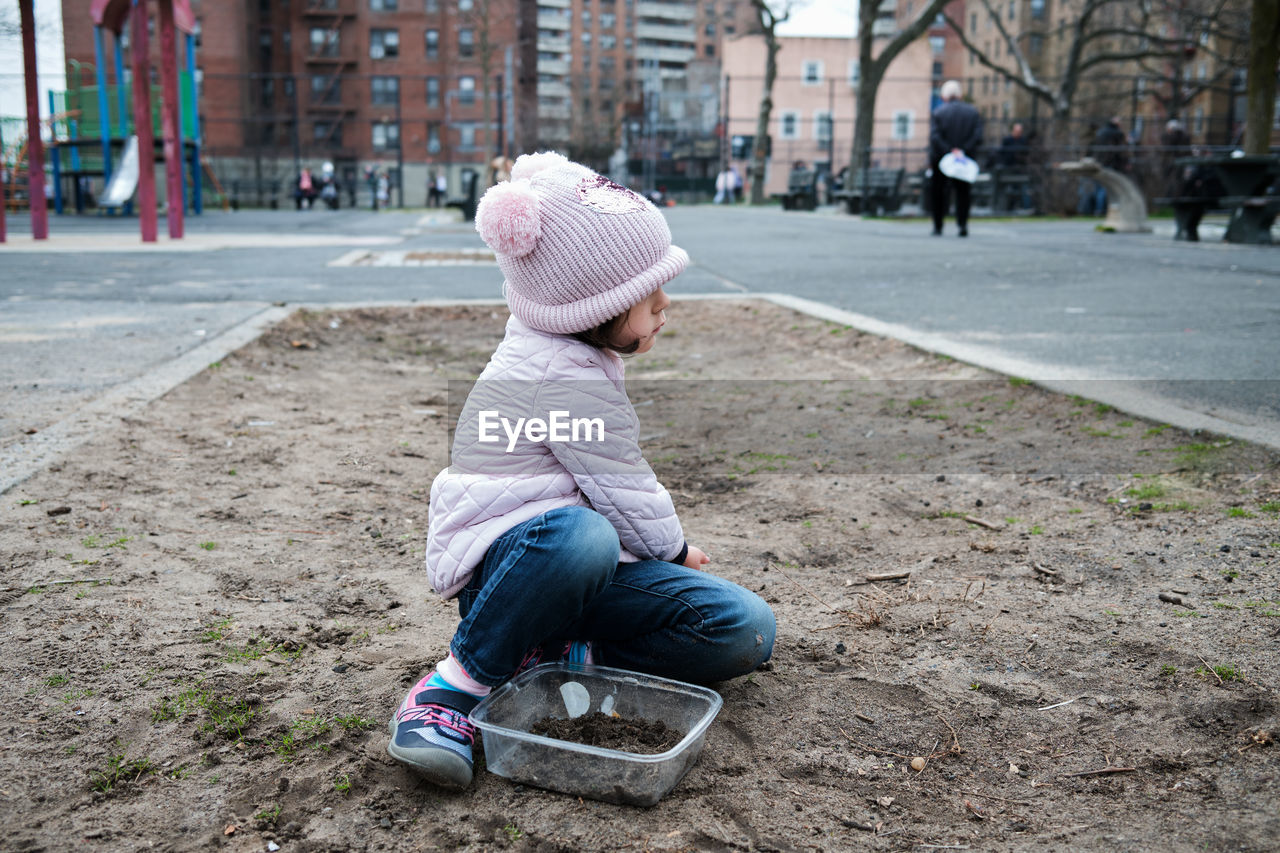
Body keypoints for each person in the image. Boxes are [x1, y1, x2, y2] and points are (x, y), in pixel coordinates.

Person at [386, 151, 776, 789]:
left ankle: (559, 656)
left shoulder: (575, 353)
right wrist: (674, 552)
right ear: (591, 309)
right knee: (582, 534)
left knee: (743, 628)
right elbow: (623, 490)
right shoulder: (555, 375)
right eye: (646, 298)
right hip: (517, 569)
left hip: (582, 576)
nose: (664, 306)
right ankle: (453, 687)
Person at [929, 79, 983, 237]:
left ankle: (938, 226)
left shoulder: (939, 112)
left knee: (938, 193)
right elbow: (977, 136)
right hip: (965, 159)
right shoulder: (972, 112)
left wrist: (949, 151)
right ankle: (962, 224)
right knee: (963, 193)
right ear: (959, 95)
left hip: (941, 159)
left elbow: (935, 137)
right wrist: (962, 150)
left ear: (945, 96)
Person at [1085, 116, 1128, 216]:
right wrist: (1125, 162)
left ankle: (1097, 209)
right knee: (1106, 188)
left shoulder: (1100, 133)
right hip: (1111, 163)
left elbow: (1092, 148)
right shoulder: (1117, 133)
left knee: (1098, 187)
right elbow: (1121, 150)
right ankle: (1101, 210)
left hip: (1098, 163)